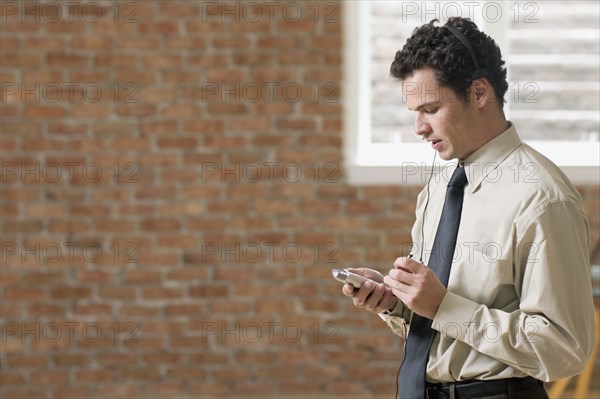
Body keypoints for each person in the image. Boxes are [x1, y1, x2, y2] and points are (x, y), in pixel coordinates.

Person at [342, 17, 595, 399]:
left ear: (479, 93)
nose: (418, 128)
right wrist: (397, 303)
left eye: (430, 109)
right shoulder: (440, 186)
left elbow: (564, 350)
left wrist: (445, 306)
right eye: (413, 111)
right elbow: (437, 315)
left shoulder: (542, 198)